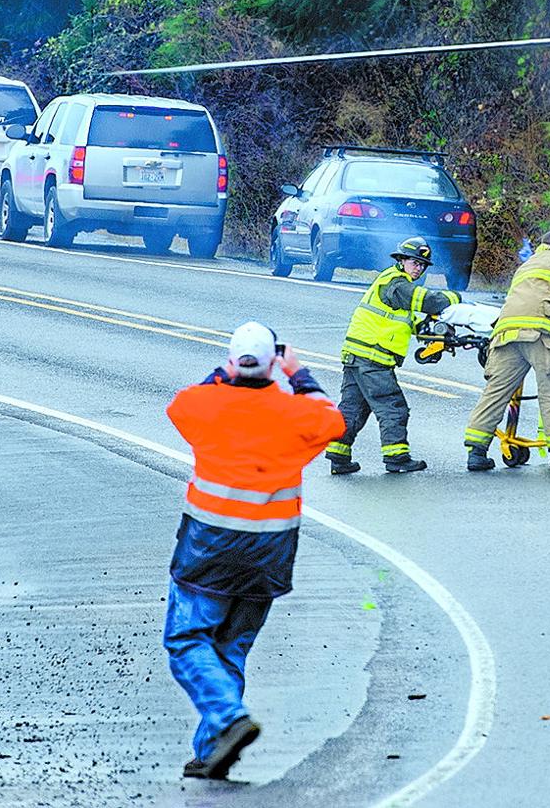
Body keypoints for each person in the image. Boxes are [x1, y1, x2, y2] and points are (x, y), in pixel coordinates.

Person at [165, 322, 345, 780]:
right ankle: (211, 751)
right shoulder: (296, 415)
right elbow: (333, 418)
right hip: (268, 556)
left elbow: (181, 402)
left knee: (187, 640)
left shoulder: (205, 405)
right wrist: (299, 373)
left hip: (208, 551)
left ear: (231, 363)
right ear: (273, 367)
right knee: (232, 648)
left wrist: (225, 370)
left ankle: (228, 720)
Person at [464, 229, 550, 470]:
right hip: (542, 333)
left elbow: (531, 298)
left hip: (507, 331)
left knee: (496, 391)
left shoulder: (526, 266)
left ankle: (476, 451)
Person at [325, 236, 461, 474]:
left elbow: (407, 321)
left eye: (421, 265)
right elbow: (424, 300)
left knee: (353, 408)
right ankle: (397, 458)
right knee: (393, 407)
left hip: (357, 354)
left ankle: (338, 455)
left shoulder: (395, 284)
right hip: (373, 357)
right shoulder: (396, 282)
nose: (418, 268)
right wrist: (453, 298)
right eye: (414, 262)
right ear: (401, 260)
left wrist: (437, 337)